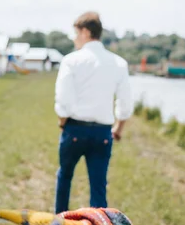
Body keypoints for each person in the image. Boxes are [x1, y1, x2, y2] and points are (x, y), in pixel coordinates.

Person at [54, 12, 133, 213]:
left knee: (65, 176)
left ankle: (59, 223)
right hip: (103, 133)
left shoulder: (71, 61)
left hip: (74, 129)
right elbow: (125, 102)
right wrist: (119, 129)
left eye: (76, 33)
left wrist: (63, 122)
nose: (74, 38)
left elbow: (64, 100)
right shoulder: (118, 63)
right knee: (98, 186)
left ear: (86, 32)